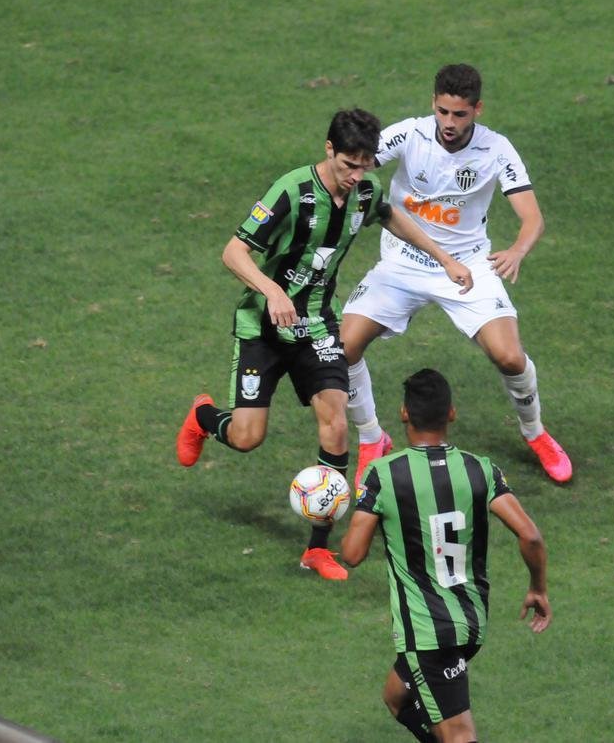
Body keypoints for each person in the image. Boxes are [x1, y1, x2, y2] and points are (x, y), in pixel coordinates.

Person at [176, 109, 473, 581]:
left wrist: (444, 259)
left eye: (366, 165)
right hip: (265, 329)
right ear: (329, 150)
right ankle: (203, 417)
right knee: (248, 437)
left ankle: (317, 549)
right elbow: (234, 251)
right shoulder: (290, 191)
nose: (357, 176)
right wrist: (272, 292)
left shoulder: (366, 192)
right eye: (348, 165)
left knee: (335, 426)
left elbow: (392, 217)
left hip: (315, 325)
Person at [343, 64, 572, 485]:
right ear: (433, 103)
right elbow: (354, 162)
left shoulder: (497, 150)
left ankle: (535, 433)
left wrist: (518, 250)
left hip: (467, 266)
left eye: (459, 115)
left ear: (477, 110)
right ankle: (372, 438)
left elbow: (532, 217)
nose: (449, 123)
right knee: (344, 348)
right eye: (443, 112)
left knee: (508, 356)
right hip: (402, 262)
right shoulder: (409, 134)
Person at [341, 368, 550, 742]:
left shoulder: (384, 474)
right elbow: (531, 536)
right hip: (470, 622)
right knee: (396, 698)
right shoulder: (480, 470)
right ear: (451, 413)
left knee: (458, 735)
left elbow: (352, 555)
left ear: (404, 413)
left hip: (429, 631)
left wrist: (345, 510)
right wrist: (537, 587)